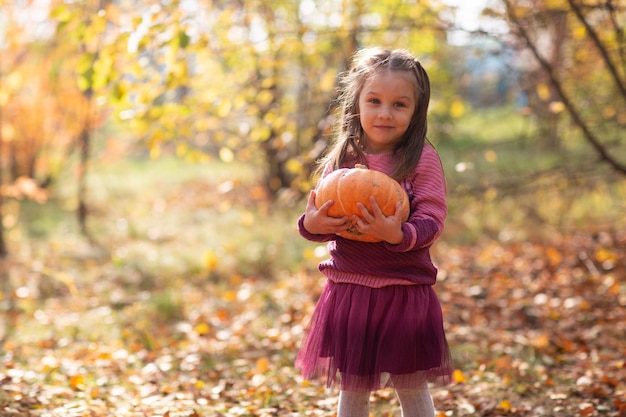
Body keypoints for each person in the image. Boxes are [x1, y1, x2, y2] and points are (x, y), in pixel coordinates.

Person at [296, 47, 452, 417]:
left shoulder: (420, 159)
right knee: (353, 388)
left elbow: (433, 217)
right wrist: (312, 226)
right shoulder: (342, 158)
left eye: (399, 104)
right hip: (350, 289)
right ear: (357, 103)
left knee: (411, 386)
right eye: (375, 101)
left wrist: (397, 233)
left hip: (402, 289)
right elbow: (319, 214)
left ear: (416, 111)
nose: (385, 113)